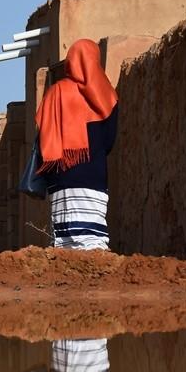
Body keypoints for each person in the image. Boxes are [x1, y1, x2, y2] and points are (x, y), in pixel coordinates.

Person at [34, 39, 118, 250]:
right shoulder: (107, 96)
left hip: (60, 175)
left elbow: (43, 136)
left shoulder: (55, 93)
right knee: (93, 239)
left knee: (64, 242)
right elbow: (109, 142)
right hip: (93, 175)